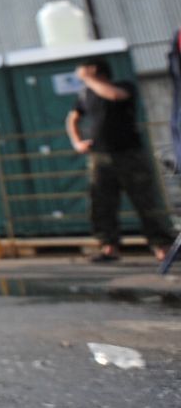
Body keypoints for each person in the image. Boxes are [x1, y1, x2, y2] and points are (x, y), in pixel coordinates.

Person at [66, 57, 176, 262]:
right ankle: (109, 247)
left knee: (146, 201)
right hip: (100, 157)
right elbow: (72, 118)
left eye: (83, 69)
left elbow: (114, 96)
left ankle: (162, 246)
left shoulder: (122, 86)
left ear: (93, 69)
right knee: (102, 203)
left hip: (129, 154)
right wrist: (77, 142)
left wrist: (88, 79)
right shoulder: (84, 94)